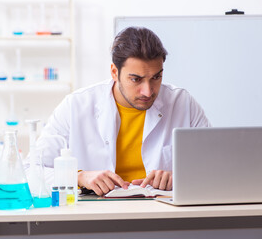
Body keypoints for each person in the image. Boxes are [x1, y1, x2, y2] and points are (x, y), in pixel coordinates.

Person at [37, 27, 211, 196]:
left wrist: (179, 178)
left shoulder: (181, 103)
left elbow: (215, 166)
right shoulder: (76, 105)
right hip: (97, 214)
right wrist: (78, 177)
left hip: (163, 211)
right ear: (114, 72)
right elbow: (32, 169)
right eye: (136, 79)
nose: (148, 91)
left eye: (156, 77)